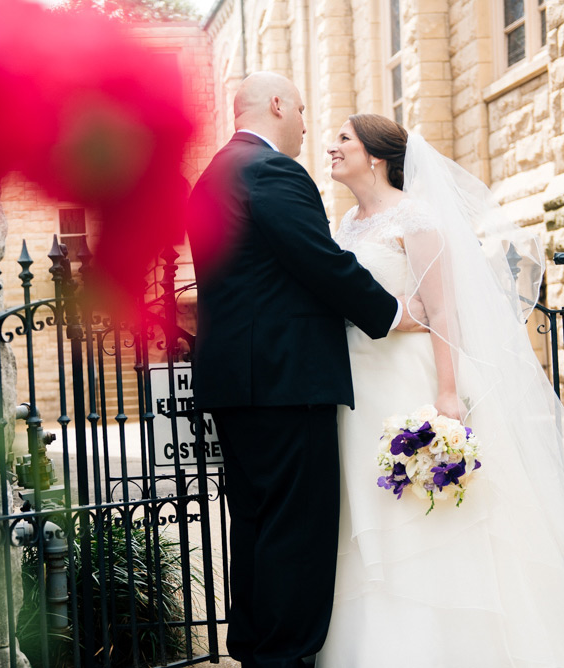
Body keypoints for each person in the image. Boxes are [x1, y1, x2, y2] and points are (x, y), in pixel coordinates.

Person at [317, 113, 564, 667]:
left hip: (408, 380)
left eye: (343, 139)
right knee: (371, 511)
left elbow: (443, 310)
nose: (330, 147)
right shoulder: (343, 225)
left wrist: (449, 392)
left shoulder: (416, 218)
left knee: (427, 508)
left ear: (377, 156)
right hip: (356, 390)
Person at [186, 73, 426, 668]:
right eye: (300, 108)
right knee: (298, 533)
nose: (305, 124)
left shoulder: (213, 175)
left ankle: (254, 650)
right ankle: (284, 657)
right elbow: (318, 261)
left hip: (240, 385)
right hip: (286, 381)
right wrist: (391, 313)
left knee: (258, 529)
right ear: (276, 105)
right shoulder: (271, 171)